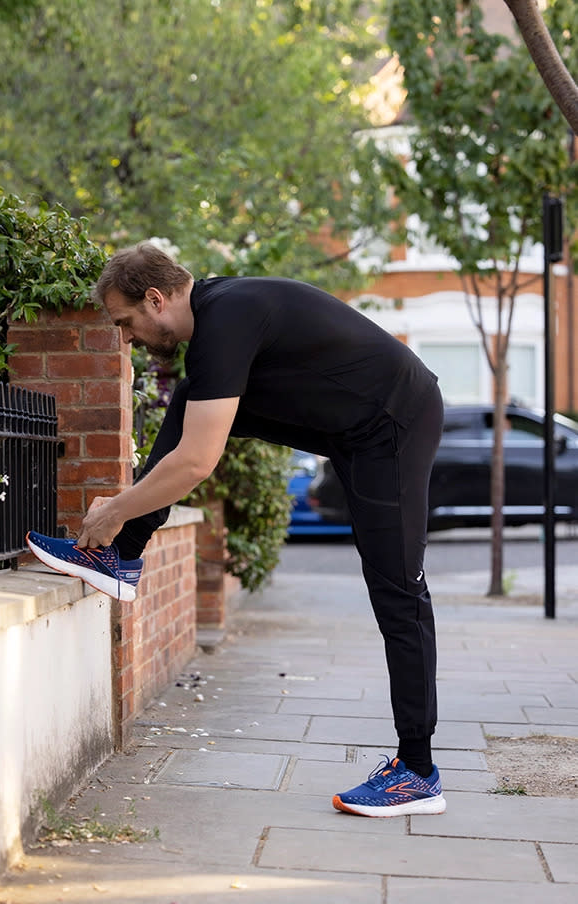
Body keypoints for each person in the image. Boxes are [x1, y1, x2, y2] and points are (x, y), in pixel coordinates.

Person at [27, 242, 446, 818]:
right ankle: (122, 557)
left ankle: (418, 772)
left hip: (395, 423)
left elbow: (197, 463)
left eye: (126, 322)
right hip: (350, 426)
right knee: (190, 407)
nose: (127, 337)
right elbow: (195, 444)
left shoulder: (226, 319)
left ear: (156, 299)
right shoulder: (216, 318)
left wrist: (115, 506)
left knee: (398, 590)